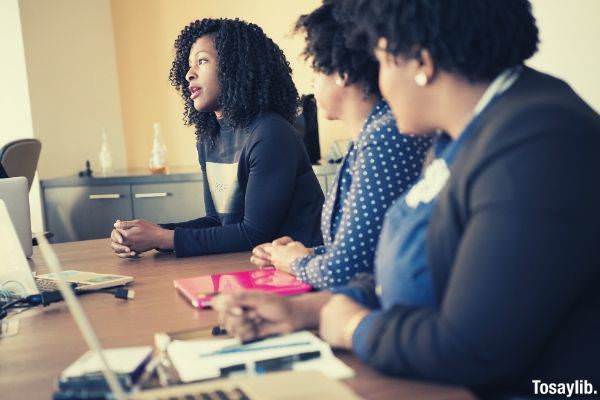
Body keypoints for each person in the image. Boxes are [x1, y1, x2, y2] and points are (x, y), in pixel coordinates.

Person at [214, 0, 600, 397]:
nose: (379, 83)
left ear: (420, 62)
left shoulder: (537, 144)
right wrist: (304, 311)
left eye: (381, 62)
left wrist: (354, 327)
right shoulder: (465, 133)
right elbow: (421, 275)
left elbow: (470, 349)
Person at [249, 1, 432, 289]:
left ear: (342, 73)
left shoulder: (384, 136)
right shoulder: (372, 133)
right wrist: (303, 253)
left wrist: (294, 262)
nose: (312, 83)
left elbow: (347, 271)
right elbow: (364, 252)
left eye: (315, 70)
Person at [109, 18, 324, 258]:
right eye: (189, 65)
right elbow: (218, 222)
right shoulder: (208, 137)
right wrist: (148, 234)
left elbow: (255, 234)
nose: (189, 74)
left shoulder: (270, 134)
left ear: (235, 67)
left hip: (301, 272)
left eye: (202, 61)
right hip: (250, 265)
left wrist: (164, 238)